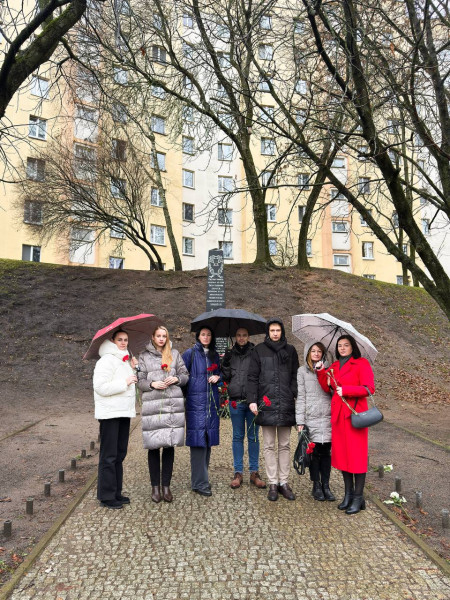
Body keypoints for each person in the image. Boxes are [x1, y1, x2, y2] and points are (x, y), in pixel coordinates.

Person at [316, 334, 375, 515]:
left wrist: (347, 390)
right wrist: (320, 371)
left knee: (357, 458)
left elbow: (369, 388)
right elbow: (326, 387)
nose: (342, 348)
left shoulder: (361, 364)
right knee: (343, 457)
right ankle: (348, 495)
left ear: (352, 347)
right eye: (340, 345)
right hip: (339, 417)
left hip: (355, 416)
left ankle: (358, 497)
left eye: (346, 345)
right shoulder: (334, 366)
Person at [247, 318, 299, 501]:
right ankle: (273, 483)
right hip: (266, 403)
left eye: (278, 330)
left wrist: (293, 392)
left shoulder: (290, 350)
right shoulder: (259, 350)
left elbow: (295, 375)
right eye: (272, 330)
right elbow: (252, 377)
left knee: (284, 445)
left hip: (285, 402)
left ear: (282, 331)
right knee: (269, 445)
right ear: (268, 332)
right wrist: (252, 400)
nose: (275, 333)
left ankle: (284, 482)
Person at [137, 326, 189, 503]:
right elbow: (140, 380)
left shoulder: (174, 353)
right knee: (153, 446)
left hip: (171, 405)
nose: (161, 339)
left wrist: (177, 379)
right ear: (152, 337)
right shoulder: (144, 356)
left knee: (168, 445)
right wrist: (152, 384)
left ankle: (166, 486)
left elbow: (185, 374)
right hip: (153, 405)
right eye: (158, 336)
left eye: (164, 336)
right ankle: (155, 487)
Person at [93, 330, 137, 509]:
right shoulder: (106, 360)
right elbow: (100, 387)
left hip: (123, 412)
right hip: (110, 414)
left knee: (120, 454)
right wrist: (124, 382)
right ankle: (106, 496)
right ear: (112, 340)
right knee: (109, 456)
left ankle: (116, 492)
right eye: (120, 339)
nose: (123, 342)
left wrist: (134, 369)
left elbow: (130, 383)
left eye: (126, 340)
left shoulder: (124, 361)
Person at [221, 328, 266, 490]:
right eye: (239, 335)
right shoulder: (231, 354)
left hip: (252, 401)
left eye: (244, 335)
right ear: (235, 337)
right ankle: (238, 472)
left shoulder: (255, 353)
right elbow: (226, 377)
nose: (241, 338)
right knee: (237, 437)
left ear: (248, 337)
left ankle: (254, 472)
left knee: (253, 437)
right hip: (236, 401)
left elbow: (260, 375)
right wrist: (225, 362)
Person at [182, 327, 221, 497]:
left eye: (209, 334)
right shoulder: (189, 354)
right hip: (195, 405)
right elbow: (182, 378)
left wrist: (218, 377)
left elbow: (220, 373)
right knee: (198, 443)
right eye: (203, 334)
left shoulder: (214, 355)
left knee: (207, 442)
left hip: (210, 405)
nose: (206, 337)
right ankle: (199, 483)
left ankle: (201, 479)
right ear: (198, 336)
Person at [296, 341, 335, 502]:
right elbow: (301, 397)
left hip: (327, 417)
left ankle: (326, 485)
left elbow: (334, 392)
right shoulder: (302, 371)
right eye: (313, 351)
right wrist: (300, 421)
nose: (316, 354)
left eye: (319, 351)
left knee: (326, 453)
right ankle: (316, 485)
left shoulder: (330, 370)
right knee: (314, 453)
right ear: (308, 353)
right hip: (311, 417)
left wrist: (324, 373)